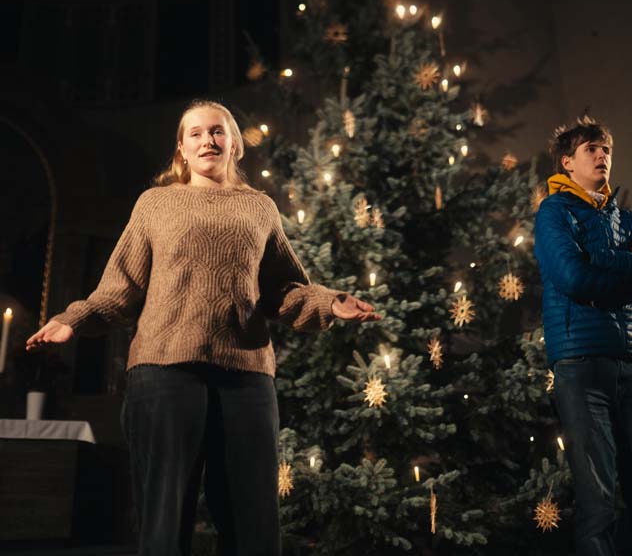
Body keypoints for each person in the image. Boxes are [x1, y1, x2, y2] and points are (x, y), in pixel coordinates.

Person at [27, 99, 379, 556]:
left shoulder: (260, 209)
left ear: (234, 145)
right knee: (165, 516)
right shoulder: (155, 204)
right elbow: (120, 289)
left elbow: (283, 291)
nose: (207, 140)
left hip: (247, 376)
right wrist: (70, 319)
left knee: (251, 518)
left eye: (217, 131)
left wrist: (331, 303)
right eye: (195, 133)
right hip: (163, 372)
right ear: (181, 149)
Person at [534, 116, 632, 556]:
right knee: (600, 506)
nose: (602, 155)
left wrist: (606, 257)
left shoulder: (628, 219)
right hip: (582, 364)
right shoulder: (554, 211)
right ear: (567, 162)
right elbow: (573, 277)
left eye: (606, 149)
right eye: (591, 149)